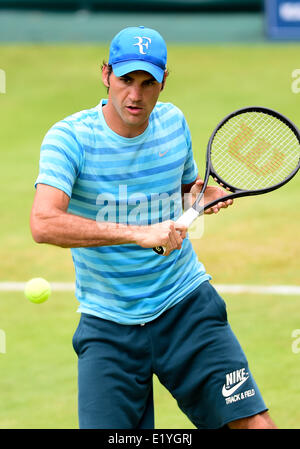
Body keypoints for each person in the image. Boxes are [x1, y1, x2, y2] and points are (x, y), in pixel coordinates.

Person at [30, 26, 276, 429]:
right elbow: (43, 223)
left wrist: (198, 196)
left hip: (185, 307)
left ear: (163, 81)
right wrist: (137, 233)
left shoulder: (173, 123)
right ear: (106, 73)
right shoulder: (68, 138)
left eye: (148, 83)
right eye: (126, 79)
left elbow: (180, 192)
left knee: (255, 426)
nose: (135, 95)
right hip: (109, 324)